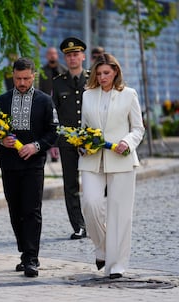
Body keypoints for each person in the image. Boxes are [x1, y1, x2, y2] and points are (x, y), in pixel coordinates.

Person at [79, 53, 145, 279]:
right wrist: (82, 145)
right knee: (90, 203)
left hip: (121, 159)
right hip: (91, 159)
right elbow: (83, 129)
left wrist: (126, 142)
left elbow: (138, 128)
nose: (102, 77)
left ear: (115, 71)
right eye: (98, 73)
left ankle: (116, 265)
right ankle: (103, 249)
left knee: (120, 214)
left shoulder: (129, 95)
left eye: (106, 73)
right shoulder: (87, 95)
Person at [0, 57, 58, 277]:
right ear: (12, 75)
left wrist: (36, 146)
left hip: (34, 163)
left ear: (33, 76)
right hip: (9, 164)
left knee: (31, 210)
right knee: (15, 209)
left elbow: (53, 132)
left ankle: (31, 258)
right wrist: (1, 140)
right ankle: (24, 251)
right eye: (18, 78)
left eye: (26, 79)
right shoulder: (2, 100)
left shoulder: (45, 101)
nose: (21, 83)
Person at [51, 37, 89, 240]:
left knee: (94, 183)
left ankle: (96, 222)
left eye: (76, 54)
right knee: (70, 185)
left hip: (91, 141)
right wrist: (55, 141)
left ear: (83, 56)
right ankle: (79, 226)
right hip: (67, 141)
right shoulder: (58, 83)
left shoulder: (93, 80)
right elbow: (54, 113)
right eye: (69, 55)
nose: (73, 58)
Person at [38, 46, 68, 162]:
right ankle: (49, 149)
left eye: (54, 54)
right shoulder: (42, 72)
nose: (52, 56)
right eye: (50, 54)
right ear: (46, 56)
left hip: (61, 104)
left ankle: (59, 149)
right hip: (47, 104)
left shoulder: (64, 70)